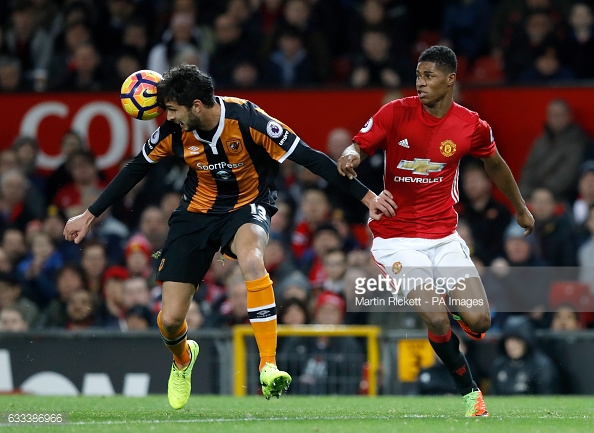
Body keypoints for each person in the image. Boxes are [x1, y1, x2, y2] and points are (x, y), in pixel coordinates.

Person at [63, 64, 395, 409]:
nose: (167, 117)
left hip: (248, 205)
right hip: (195, 214)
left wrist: (368, 197)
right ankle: (182, 358)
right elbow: (135, 168)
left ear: (196, 106)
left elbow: (311, 159)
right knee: (172, 320)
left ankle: (268, 365)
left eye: (172, 110)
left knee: (252, 260)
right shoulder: (172, 132)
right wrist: (89, 215)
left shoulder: (249, 120)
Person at [337, 45, 535, 417]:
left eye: (429, 76)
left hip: (443, 238)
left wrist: (521, 209)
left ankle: (456, 313)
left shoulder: (471, 125)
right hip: (396, 240)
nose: (421, 83)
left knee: (479, 321)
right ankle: (469, 391)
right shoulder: (395, 112)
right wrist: (350, 155)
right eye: (418, 76)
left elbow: (495, 165)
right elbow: (359, 143)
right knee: (436, 315)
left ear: (450, 79)